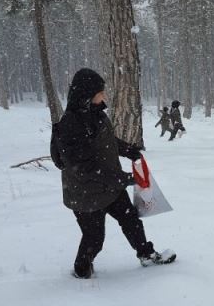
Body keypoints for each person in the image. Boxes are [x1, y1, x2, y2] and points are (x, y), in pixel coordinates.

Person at [50, 68, 175, 279]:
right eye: (101, 92)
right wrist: (125, 179)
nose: (104, 96)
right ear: (88, 94)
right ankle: (81, 269)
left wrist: (129, 150)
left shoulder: (95, 113)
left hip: (109, 187)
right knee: (94, 239)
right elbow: (85, 168)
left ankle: (145, 254)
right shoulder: (71, 125)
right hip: (86, 194)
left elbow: (106, 142)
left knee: (131, 220)